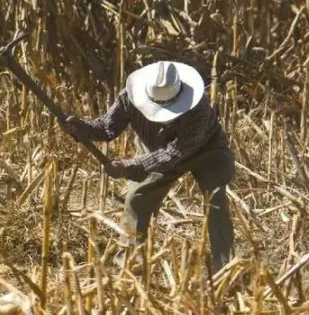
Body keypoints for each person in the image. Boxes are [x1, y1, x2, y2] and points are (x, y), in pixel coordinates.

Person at [60, 60, 235, 275]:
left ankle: (225, 267)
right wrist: (81, 128)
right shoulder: (129, 98)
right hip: (155, 149)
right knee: (136, 200)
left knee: (216, 203)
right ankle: (131, 267)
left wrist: (129, 166)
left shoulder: (199, 107)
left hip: (205, 150)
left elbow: (175, 153)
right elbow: (107, 128)